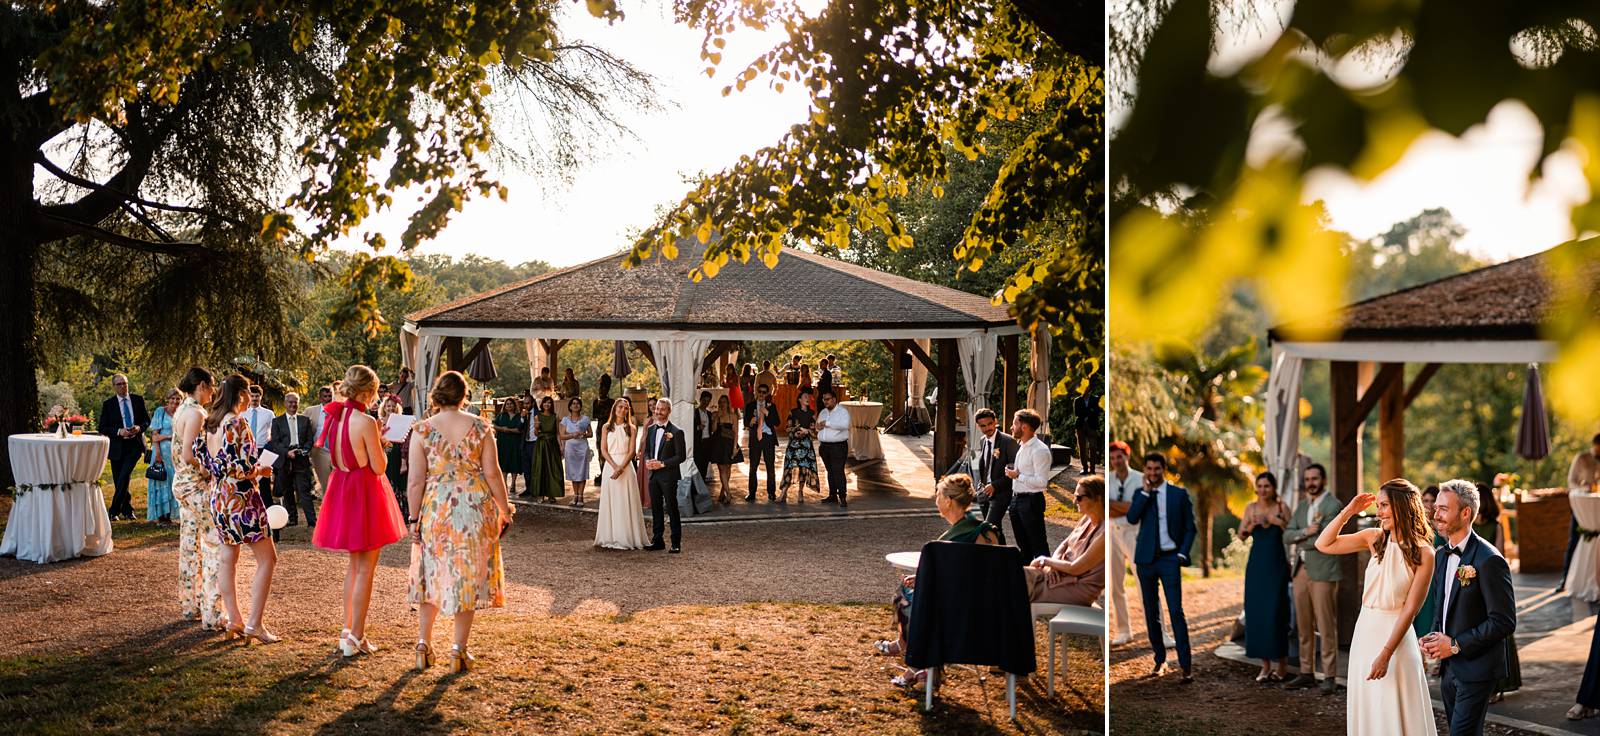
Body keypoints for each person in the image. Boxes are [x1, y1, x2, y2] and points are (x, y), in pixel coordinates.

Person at [404, 371, 512, 673]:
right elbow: (493, 473)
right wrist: (505, 509)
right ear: (464, 395)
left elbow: (415, 481)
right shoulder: (480, 427)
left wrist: (414, 519)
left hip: (436, 506)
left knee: (430, 573)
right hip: (473, 508)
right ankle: (458, 650)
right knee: (467, 575)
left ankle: (423, 645)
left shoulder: (422, 430)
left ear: (437, 394)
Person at [1309, 479, 1436, 735]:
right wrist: (1348, 512)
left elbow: (1410, 610)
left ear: (1403, 506)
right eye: (1378, 506)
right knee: (1370, 710)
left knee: (1395, 710)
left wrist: (1386, 654)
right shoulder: (1374, 538)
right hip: (1365, 633)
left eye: (1385, 505)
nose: (1379, 512)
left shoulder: (1425, 553)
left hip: (1396, 640)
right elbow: (1323, 544)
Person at [312, 365, 408, 657]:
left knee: (354, 568)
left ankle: (348, 630)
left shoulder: (336, 416)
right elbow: (378, 467)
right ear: (367, 391)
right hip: (364, 491)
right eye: (376, 391)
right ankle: (357, 636)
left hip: (342, 487)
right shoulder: (365, 420)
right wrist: (381, 441)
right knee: (365, 569)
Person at [873, 474, 999, 689]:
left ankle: (916, 663)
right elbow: (981, 576)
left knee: (906, 597)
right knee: (911, 592)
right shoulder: (987, 532)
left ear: (948, 501)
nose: (936, 500)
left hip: (952, 614)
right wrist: (924, 577)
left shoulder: (946, 542)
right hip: (986, 611)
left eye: (938, 495)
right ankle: (917, 664)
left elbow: (953, 580)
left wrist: (924, 580)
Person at [1423, 479, 1517, 736]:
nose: (1436, 514)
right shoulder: (1442, 554)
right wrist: (1434, 636)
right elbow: (1442, 605)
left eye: (1443, 509)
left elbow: (1504, 621)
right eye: (1436, 508)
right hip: (1449, 669)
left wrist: (1454, 644)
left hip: (1477, 668)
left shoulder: (1489, 560)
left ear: (1465, 513)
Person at [197, 374, 279, 644]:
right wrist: (262, 470)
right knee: (268, 558)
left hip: (219, 496)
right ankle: (254, 623)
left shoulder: (210, 423)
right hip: (241, 498)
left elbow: (203, 460)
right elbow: (244, 468)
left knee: (227, 559)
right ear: (242, 394)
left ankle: (234, 618)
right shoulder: (237, 422)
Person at [1127, 451, 1196, 682]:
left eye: (1157, 469)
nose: (1153, 473)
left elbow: (1190, 528)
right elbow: (1132, 518)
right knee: (1151, 612)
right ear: (1145, 470)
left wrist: (1182, 553)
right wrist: (1145, 493)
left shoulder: (1178, 494)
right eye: (1149, 469)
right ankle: (1160, 660)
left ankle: (1186, 665)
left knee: (1176, 611)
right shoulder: (1141, 494)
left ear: (1163, 469)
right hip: (1145, 560)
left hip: (1169, 559)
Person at [1283, 462, 1344, 695]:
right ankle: (1306, 672)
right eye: (1307, 479)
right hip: (1300, 571)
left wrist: (1306, 538)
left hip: (1324, 571)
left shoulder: (1333, 505)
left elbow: (1325, 540)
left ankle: (1329, 676)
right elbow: (1287, 535)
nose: (1310, 483)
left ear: (1324, 480)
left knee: (1326, 626)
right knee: (1303, 625)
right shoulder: (1301, 507)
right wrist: (1304, 532)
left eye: (1314, 479)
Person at [173, 368, 224, 628]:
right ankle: (212, 614)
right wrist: (208, 469)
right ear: (202, 385)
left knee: (189, 544)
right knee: (214, 543)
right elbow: (188, 454)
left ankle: (188, 604)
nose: (213, 392)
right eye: (211, 387)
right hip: (194, 486)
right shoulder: (195, 413)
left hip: (182, 486)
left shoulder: (182, 408)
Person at [1107, 441, 1168, 648]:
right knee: (1116, 585)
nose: (1116, 461)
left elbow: (1138, 510)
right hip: (1113, 533)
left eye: (1119, 457)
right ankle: (1123, 630)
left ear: (1127, 456)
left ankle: (1161, 633)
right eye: (1113, 457)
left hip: (1136, 534)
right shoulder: (1107, 479)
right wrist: (1124, 507)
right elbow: (1105, 508)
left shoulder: (1140, 479)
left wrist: (1118, 506)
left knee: (1147, 584)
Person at [1471, 484, 1522, 702]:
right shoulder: (1469, 525)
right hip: (1471, 583)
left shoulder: (1496, 526)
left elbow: (1498, 556)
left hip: (1489, 581)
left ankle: (1500, 684)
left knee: (1498, 628)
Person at [1240, 471, 1290, 683]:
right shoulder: (1250, 508)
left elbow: (1293, 532)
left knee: (1277, 611)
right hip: (1256, 566)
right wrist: (1252, 525)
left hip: (1276, 565)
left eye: (1266, 486)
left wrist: (1278, 522)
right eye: (1259, 486)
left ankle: (1282, 665)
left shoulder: (1282, 507)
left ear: (1273, 487)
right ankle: (1265, 666)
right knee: (1257, 612)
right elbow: (1242, 536)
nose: (1262, 490)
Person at [1025, 475, 1105, 605]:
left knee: (1018, 588)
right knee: (1015, 574)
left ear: (1098, 498)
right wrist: (1055, 565)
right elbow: (1064, 544)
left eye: (1079, 498)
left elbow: (1076, 568)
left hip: (1078, 586)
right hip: (1061, 574)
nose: (1074, 501)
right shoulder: (1086, 518)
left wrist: (1045, 560)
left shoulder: (1104, 534)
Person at [595, 398, 649, 549]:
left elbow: (632, 451)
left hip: (626, 467)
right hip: (610, 466)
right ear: (614, 408)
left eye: (626, 408)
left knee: (625, 501)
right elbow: (603, 450)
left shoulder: (631, 428)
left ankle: (627, 537)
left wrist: (621, 467)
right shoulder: (606, 427)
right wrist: (614, 466)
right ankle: (610, 536)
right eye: (620, 407)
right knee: (612, 501)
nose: (623, 410)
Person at [99, 373, 149, 520]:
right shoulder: (108, 404)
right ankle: (127, 509)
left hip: (134, 445)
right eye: (119, 384)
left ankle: (113, 510)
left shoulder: (137, 400)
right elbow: (102, 427)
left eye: (125, 383)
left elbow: (147, 421)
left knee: (124, 475)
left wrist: (139, 428)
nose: (123, 386)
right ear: (114, 387)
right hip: (117, 447)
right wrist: (119, 431)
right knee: (119, 479)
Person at [267, 392, 318, 534]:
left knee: (304, 490)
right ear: (285, 403)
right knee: (287, 490)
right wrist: (286, 453)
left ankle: (312, 521)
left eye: (295, 402)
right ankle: (292, 518)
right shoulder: (277, 421)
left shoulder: (305, 420)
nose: (293, 405)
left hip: (301, 459)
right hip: (284, 459)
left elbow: (309, 440)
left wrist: (305, 450)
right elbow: (275, 443)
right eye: (290, 402)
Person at [1006, 408, 1052, 562]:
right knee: (1023, 546)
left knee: (1038, 546)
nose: (1011, 427)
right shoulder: (1022, 446)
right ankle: (1026, 579)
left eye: (1014, 423)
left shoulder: (1040, 450)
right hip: (1016, 500)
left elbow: (1041, 482)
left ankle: (1048, 579)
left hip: (1031, 502)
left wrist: (1018, 475)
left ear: (1024, 427)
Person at [641, 398, 686, 553]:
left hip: (668, 476)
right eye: (657, 409)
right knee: (656, 509)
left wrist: (662, 464)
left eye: (662, 409)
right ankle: (657, 540)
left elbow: (681, 457)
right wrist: (647, 461)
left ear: (669, 411)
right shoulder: (651, 429)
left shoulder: (676, 432)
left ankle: (675, 543)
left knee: (672, 508)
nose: (658, 412)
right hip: (653, 476)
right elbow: (646, 451)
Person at [1561, 434, 1600, 592]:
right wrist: (1584, 489)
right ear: (1594, 445)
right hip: (1583, 508)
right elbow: (1571, 482)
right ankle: (1564, 579)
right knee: (1574, 539)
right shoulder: (1582, 459)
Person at [972, 408, 1016, 541]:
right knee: (995, 530)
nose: (987, 428)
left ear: (995, 421)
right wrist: (981, 485)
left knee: (989, 527)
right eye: (983, 426)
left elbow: (1015, 471)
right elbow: (985, 466)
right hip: (985, 492)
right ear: (978, 426)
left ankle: (997, 557)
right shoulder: (982, 441)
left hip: (1001, 492)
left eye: (990, 424)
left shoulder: (1008, 441)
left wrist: (995, 485)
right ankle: (1002, 557)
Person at [146, 389, 181, 525]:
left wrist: (168, 437)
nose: (175, 401)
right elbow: (155, 436)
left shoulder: (182, 413)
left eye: (178, 398)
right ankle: (162, 516)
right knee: (161, 481)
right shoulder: (160, 411)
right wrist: (158, 453)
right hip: (162, 452)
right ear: (168, 399)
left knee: (174, 481)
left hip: (177, 454)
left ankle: (174, 514)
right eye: (172, 398)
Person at [241, 386, 276, 521]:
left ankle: (268, 517)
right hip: (248, 451)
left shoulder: (268, 414)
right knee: (248, 482)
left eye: (257, 396)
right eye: (252, 396)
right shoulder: (243, 413)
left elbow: (273, 432)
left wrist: (270, 447)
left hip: (263, 449)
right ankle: (250, 516)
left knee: (265, 485)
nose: (254, 399)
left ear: (261, 397)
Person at [781, 389, 819, 503]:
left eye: (808, 396)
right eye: (805, 396)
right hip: (793, 445)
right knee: (789, 468)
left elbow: (815, 433)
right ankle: (783, 493)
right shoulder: (793, 412)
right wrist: (797, 430)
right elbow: (787, 428)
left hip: (806, 445)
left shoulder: (812, 414)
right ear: (799, 400)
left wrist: (807, 431)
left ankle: (800, 492)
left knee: (803, 469)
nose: (807, 398)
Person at [525, 396, 565, 502]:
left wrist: (561, 446)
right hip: (541, 445)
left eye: (549, 403)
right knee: (541, 469)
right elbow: (536, 434)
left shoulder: (555, 417)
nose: (547, 405)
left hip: (552, 445)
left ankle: (552, 494)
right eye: (545, 403)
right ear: (542, 404)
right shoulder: (538, 417)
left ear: (552, 405)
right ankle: (541, 495)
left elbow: (557, 433)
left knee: (553, 469)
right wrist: (537, 428)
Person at [381, 395, 413, 519]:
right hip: (383, 456)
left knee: (399, 485)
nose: (391, 408)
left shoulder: (402, 421)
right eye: (388, 406)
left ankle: (400, 514)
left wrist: (404, 461)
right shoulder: (379, 421)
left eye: (394, 406)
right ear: (384, 407)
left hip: (397, 457)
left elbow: (406, 442)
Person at [745, 383, 778, 502]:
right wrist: (750, 421)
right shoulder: (750, 406)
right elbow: (745, 422)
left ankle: (771, 492)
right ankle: (752, 492)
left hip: (768, 438)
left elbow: (777, 422)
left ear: (767, 394)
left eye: (764, 392)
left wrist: (768, 413)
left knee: (770, 466)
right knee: (753, 467)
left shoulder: (771, 406)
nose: (761, 394)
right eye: (760, 391)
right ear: (756, 392)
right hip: (755, 438)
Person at [559, 397, 593, 506]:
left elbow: (591, 434)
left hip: (582, 447)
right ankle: (575, 496)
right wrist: (572, 435)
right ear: (570, 406)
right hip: (570, 448)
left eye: (577, 403)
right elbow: (562, 436)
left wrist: (583, 434)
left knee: (582, 472)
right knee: (573, 472)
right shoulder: (565, 420)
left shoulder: (585, 419)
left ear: (580, 406)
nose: (575, 405)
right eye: (573, 403)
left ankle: (581, 496)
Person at [306, 385, 335, 496]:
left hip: (336, 450)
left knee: (338, 480)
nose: (328, 399)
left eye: (330, 396)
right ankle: (329, 504)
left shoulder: (339, 410)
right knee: (325, 482)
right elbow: (303, 431)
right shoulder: (310, 411)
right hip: (319, 451)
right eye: (325, 396)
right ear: (320, 397)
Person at [492, 399, 524, 494]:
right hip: (503, 443)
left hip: (514, 443)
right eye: (507, 404)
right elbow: (494, 425)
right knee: (503, 463)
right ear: (505, 406)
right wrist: (502, 428)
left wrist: (508, 430)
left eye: (511, 404)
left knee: (514, 462)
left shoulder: (519, 416)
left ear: (514, 405)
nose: (509, 406)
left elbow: (520, 430)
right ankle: (504, 484)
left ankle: (513, 484)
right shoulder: (501, 415)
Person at [710, 395, 738, 504]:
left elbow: (736, 433)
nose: (722, 404)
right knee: (722, 469)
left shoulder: (733, 416)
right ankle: (728, 494)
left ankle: (722, 492)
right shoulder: (715, 415)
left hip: (729, 444)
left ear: (728, 403)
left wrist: (735, 447)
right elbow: (713, 430)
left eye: (724, 402)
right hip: (718, 444)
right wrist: (717, 418)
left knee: (728, 468)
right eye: (720, 402)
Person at [1073, 390, 1100, 474]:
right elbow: (1077, 413)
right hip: (1080, 426)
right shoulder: (1077, 400)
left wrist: (1086, 415)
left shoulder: (1096, 399)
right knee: (1082, 447)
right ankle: (1085, 468)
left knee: (1093, 447)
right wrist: (1089, 412)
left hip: (1092, 426)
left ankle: (1092, 469)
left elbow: (1097, 412)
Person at [693, 391, 715, 485]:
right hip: (698, 442)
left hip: (707, 442)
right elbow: (688, 427)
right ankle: (696, 486)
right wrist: (698, 427)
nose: (705, 403)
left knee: (705, 465)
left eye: (707, 401)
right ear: (700, 400)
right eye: (704, 401)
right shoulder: (694, 412)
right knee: (697, 464)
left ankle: (702, 485)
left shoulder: (709, 414)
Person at [518, 396, 538, 498]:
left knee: (535, 468)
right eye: (524, 403)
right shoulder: (523, 414)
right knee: (526, 469)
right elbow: (519, 428)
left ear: (533, 403)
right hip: (525, 443)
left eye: (528, 403)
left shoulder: (538, 413)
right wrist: (522, 418)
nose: (526, 405)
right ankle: (528, 489)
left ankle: (536, 490)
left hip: (535, 443)